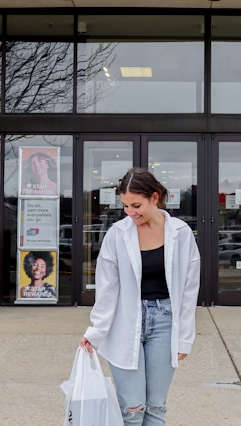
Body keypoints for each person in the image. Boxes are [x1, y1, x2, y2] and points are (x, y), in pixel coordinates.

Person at [80, 167, 201, 426]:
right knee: (132, 409)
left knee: (156, 407)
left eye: (136, 205)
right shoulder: (117, 234)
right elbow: (107, 288)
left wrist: (184, 338)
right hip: (125, 322)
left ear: (154, 198)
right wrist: (96, 331)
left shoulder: (180, 233)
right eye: (125, 206)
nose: (130, 213)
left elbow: (190, 290)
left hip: (166, 322)